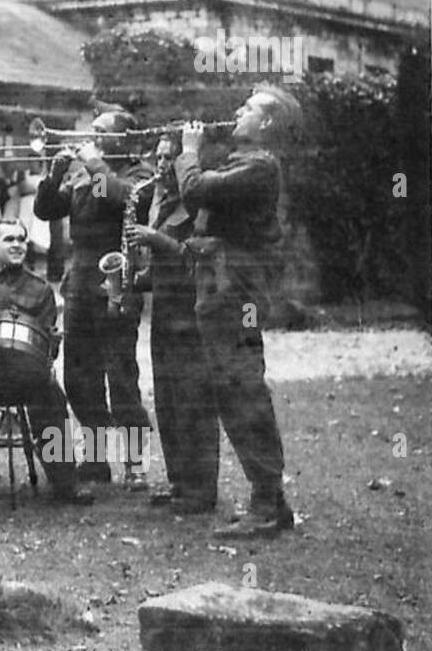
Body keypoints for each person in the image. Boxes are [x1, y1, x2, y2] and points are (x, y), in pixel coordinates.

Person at [175, 86, 302, 537]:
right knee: (233, 386)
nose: (237, 112)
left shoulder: (260, 165)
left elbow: (195, 190)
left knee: (241, 386)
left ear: (267, 123)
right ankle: (268, 501)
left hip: (237, 287)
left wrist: (187, 152)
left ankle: (268, 503)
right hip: (225, 282)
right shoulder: (247, 163)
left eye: (247, 108)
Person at [33, 108, 155, 489]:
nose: (94, 136)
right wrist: (53, 174)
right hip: (79, 283)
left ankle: (136, 464)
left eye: (102, 131)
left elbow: (118, 200)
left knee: (121, 378)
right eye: (94, 131)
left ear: (126, 139)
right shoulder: (86, 175)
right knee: (80, 378)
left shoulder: (138, 175)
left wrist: (92, 162)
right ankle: (97, 458)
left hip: (115, 283)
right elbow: (46, 209)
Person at [0, 219, 94, 505]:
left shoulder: (41, 289)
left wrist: (51, 347)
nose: (18, 245)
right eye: (9, 239)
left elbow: (47, 343)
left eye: (22, 239)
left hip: (22, 376)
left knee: (51, 395)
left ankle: (65, 483)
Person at [126, 135, 218, 513]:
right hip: (165, 312)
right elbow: (165, 267)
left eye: (170, 159)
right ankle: (180, 483)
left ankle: (201, 490)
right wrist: (134, 278)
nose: (162, 166)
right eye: (159, 158)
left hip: (193, 316)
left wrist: (154, 238)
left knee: (194, 402)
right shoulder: (160, 203)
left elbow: (195, 261)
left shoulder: (202, 207)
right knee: (167, 400)